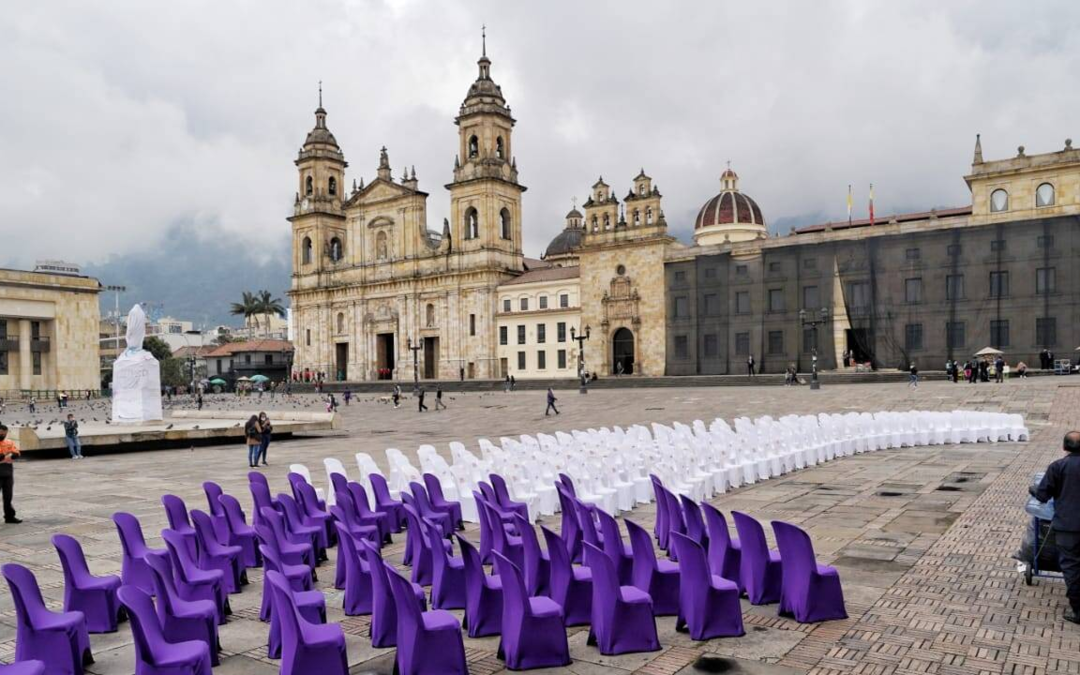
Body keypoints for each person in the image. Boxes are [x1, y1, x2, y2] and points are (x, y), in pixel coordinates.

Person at [1030, 431, 1080, 623]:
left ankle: (1078, 611)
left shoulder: (1058, 467)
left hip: (1068, 527)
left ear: (1064, 447)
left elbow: (1042, 495)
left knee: (1072, 566)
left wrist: (1033, 489)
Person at [0, 425, 21, 524]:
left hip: (8, 472)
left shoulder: (9, 442)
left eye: (4, 433)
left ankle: (9, 516)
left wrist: (11, 454)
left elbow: (16, 453)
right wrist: (7, 453)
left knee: (8, 496)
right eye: (1, 433)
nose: (3, 435)